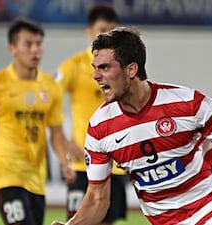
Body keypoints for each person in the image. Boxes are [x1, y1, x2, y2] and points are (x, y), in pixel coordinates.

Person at [52, 27, 212, 225]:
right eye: (95, 68)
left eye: (104, 67)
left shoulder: (187, 104)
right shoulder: (100, 128)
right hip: (166, 220)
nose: (96, 76)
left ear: (131, 69)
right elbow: (98, 199)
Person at [0, 18, 75, 225]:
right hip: (7, 176)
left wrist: (64, 160)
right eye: (28, 44)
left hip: (36, 180)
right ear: (12, 48)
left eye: (38, 44)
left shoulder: (50, 86)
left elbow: (56, 132)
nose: (35, 50)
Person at [54, 4, 126, 225]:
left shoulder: (123, 68)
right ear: (89, 32)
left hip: (115, 162)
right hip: (83, 164)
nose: (108, 37)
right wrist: (64, 143)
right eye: (102, 30)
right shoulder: (73, 67)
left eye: (112, 32)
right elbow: (47, 103)